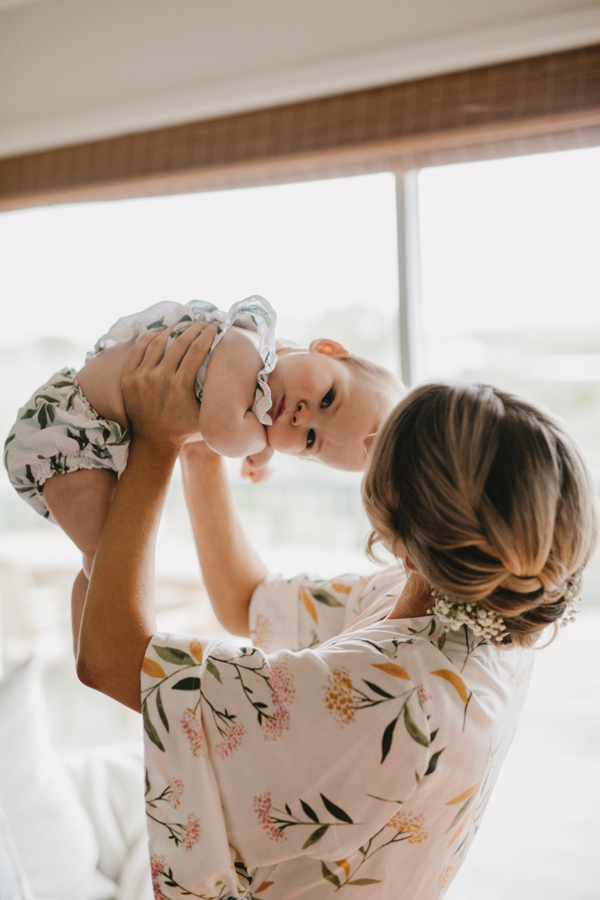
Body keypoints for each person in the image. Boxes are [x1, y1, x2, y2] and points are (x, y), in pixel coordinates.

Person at [76, 325, 597, 899]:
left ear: (397, 538)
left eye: (382, 445)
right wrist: (203, 451)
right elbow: (247, 600)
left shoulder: (385, 694)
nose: (368, 449)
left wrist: (156, 443)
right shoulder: (475, 609)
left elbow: (108, 657)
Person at [4, 297, 403, 648]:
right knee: (109, 556)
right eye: (329, 398)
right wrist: (263, 448)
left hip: (94, 447)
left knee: (105, 560)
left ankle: (92, 651)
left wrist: (263, 444)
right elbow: (221, 432)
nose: (302, 417)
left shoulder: (256, 394)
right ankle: (100, 653)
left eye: (312, 439)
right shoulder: (249, 344)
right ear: (328, 349)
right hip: (66, 430)